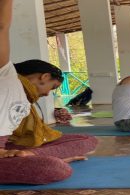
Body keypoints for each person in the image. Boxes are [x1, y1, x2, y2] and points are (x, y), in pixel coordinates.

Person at [0, 0, 97, 184]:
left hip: (8, 147)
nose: (47, 95)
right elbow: (1, 27)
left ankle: (30, 154)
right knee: (52, 169)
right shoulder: (5, 75)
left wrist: (24, 151)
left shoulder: (25, 98)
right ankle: (35, 158)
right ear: (44, 76)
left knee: (87, 139)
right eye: (52, 88)